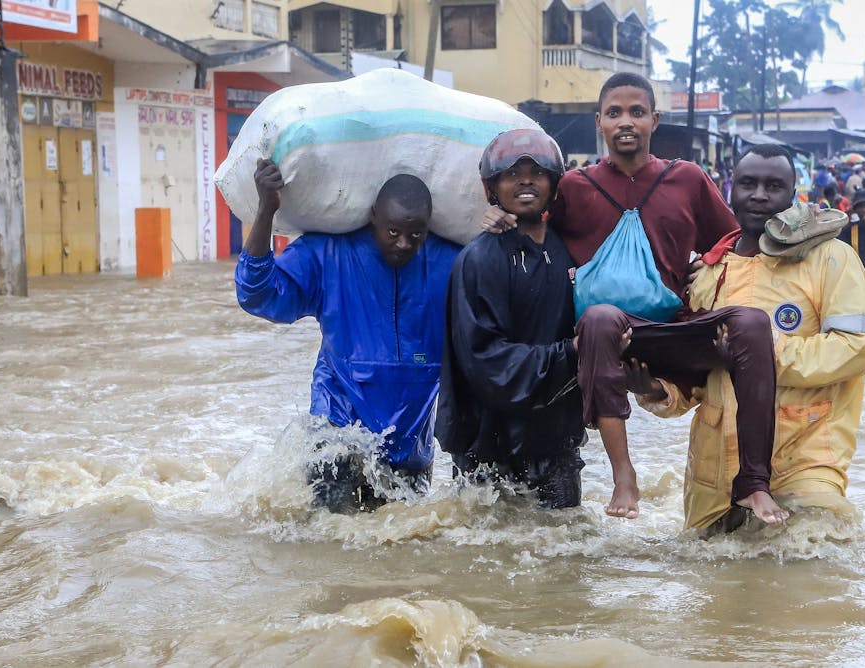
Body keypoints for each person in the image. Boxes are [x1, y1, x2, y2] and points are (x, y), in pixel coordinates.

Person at [481, 72, 786, 525]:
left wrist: (708, 263)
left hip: (673, 332)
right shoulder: (574, 186)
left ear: (654, 121)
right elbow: (534, 225)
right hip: (606, 340)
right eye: (615, 113)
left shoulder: (687, 179)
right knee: (602, 316)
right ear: (599, 121)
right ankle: (624, 474)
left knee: (753, 323)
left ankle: (753, 482)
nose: (627, 122)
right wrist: (498, 217)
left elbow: (734, 242)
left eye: (637, 112)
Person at [629, 145, 865, 533]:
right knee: (714, 586)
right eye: (748, 184)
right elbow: (699, 375)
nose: (759, 195)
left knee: (811, 562)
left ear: (793, 194)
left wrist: (761, 353)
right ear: (731, 190)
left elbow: (855, 349)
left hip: (804, 460)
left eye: (773, 185)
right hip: (713, 476)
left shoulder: (831, 257)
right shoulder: (709, 271)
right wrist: (660, 390)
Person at [235, 160, 460, 513]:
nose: (403, 244)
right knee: (331, 547)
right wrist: (266, 209)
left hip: (410, 449)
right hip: (336, 438)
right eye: (392, 232)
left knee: (404, 552)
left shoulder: (452, 265)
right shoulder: (329, 254)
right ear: (373, 216)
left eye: (415, 235)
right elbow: (257, 294)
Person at [437, 129, 586, 508]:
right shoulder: (479, 260)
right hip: (488, 445)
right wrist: (571, 353)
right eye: (512, 174)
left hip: (555, 444)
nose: (524, 181)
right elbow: (485, 360)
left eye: (536, 173)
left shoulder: (568, 250)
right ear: (492, 188)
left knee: (565, 553)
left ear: (554, 184)